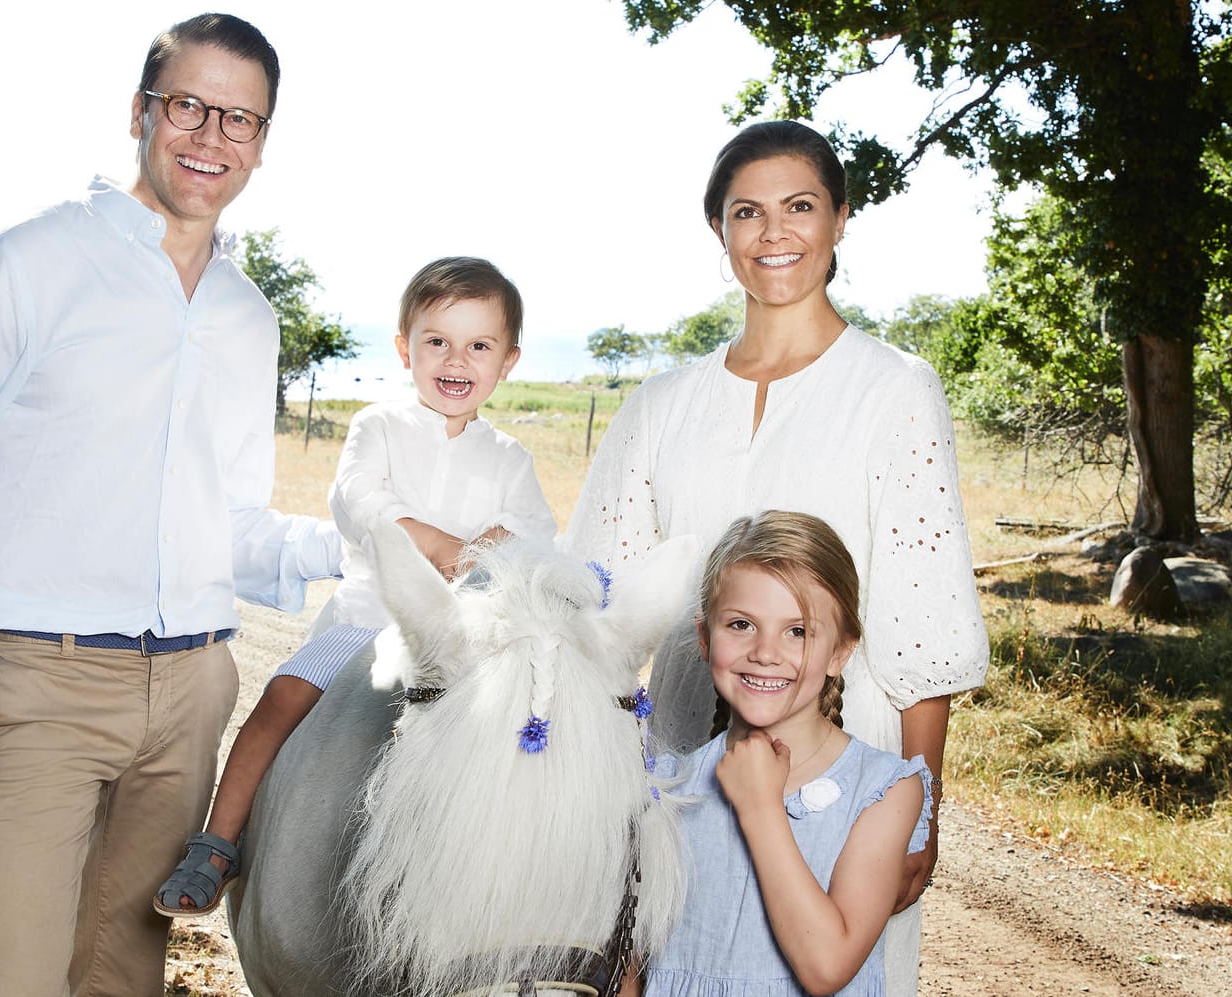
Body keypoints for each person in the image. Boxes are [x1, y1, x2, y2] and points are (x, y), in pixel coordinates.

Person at [0, 14, 342, 995]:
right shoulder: (23, 263)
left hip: (194, 692)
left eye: (238, 119)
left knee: (120, 978)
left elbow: (231, 526)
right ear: (140, 112)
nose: (210, 137)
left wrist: (371, 542)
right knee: (8, 982)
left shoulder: (247, 318)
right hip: (43, 682)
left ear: (261, 141)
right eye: (189, 107)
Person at [568, 120, 988, 994]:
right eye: (746, 212)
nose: (774, 233)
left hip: (847, 751)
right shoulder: (661, 405)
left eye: (799, 206)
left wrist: (925, 805)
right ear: (718, 232)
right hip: (688, 746)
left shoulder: (894, 388)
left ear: (839, 218)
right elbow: (596, 601)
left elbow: (921, 612)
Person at [154, 256, 557, 916]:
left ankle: (529, 872)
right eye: (437, 341)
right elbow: (359, 500)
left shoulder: (511, 458)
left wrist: (489, 553)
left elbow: (531, 533)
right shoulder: (378, 427)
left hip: (467, 637)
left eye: (478, 345)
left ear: (507, 360)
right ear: (405, 348)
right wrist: (439, 545)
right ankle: (218, 842)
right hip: (368, 620)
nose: (456, 361)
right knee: (281, 699)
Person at [642, 511, 932, 996]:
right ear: (704, 637)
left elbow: (827, 967)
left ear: (841, 651)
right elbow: (630, 965)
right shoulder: (664, 788)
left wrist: (761, 808)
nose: (765, 652)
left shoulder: (883, 791)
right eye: (741, 624)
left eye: (797, 631)